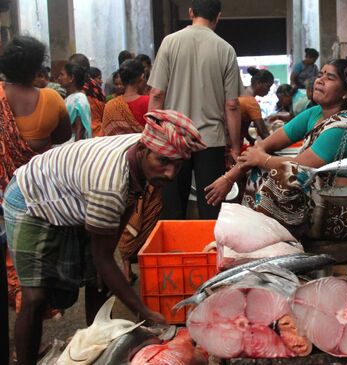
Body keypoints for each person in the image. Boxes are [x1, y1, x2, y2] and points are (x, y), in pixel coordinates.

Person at [3, 109, 206, 365]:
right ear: (143, 149)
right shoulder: (109, 184)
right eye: (164, 161)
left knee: (99, 281)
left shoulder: (138, 150)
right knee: (35, 296)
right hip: (31, 199)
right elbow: (103, 256)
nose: (170, 173)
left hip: (73, 196)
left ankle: (96, 348)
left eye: (178, 165)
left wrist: (108, 261)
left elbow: (129, 200)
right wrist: (143, 311)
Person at [205, 59, 347, 240]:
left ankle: (271, 236)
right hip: (321, 201)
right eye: (320, 75)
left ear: (346, 91)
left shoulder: (346, 127)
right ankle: (260, 234)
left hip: (346, 213)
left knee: (283, 176)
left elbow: (298, 166)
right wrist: (230, 177)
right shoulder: (315, 113)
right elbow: (263, 145)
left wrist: (261, 159)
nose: (320, 80)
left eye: (330, 77)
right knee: (260, 170)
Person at [0, 35, 71, 365]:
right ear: (36, 67)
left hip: (4, 197)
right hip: (35, 197)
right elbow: (62, 142)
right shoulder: (52, 101)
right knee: (33, 276)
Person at [148, 0, 243, 220]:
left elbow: (156, 95)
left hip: (173, 139)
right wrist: (235, 148)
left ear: (190, 12)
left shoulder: (170, 43)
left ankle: (177, 251)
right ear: (218, 16)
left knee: (173, 208)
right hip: (210, 141)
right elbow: (232, 105)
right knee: (211, 205)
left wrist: (153, 136)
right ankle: (209, 252)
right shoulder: (225, 49)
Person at [102, 59, 159, 284]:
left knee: (126, 214)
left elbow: (106, 139)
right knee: (149, 214)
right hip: (146, 169)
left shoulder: (110, 106)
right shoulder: (148, 102)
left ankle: (125, 267)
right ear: (141, 78)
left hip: (120, 166)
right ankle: (148, 266)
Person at [68, 53, 106, 137]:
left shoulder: (81, 92)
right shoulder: (94, 85)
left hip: (89, 133)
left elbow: (80, 125)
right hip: (99, 132)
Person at [59, 63, 92, 141]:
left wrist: (76, 150)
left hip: (71, 145)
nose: (59, 78)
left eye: (62, 75)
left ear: (71, 78)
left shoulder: (79, 99)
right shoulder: (69, 98)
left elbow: (80, 130)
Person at [239, 66, 272, 144]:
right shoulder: (251, 102)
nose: (269, 90)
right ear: (258, 83)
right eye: (267, 86)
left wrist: (252, 140)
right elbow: (263, 132)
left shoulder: (242, 93)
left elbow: (242, 128)